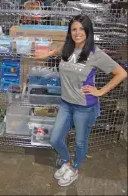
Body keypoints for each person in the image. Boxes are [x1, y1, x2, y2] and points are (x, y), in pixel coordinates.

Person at [36, 14, 127, 187]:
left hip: (84, 107)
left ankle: (75, 168)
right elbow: (57, 51)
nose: (77, 33)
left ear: (88, 31)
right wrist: (45, 54)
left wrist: (100, 91)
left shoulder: (95, 53)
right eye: (74, 29)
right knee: (55, 139)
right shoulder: (68, 48)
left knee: (80, 142)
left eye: (81, 29)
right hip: (66, 103)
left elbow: (121, 73)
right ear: (70, 32)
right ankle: (66, 161)